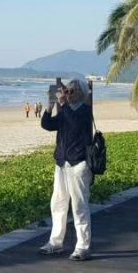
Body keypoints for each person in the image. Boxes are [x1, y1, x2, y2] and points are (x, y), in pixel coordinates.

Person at [38, 76, 94, 261]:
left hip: (78, 164)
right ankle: (55, 242)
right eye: (66, 90)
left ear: (80, 93)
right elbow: (48, 125)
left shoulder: (85, 111)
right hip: (62, 163)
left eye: (70, 91)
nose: (67, 94)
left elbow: (75, 124)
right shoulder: (66, 110)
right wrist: (50, 105)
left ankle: (82, 246)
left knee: (79, 206)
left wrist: (62, 104)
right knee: (58, 204)